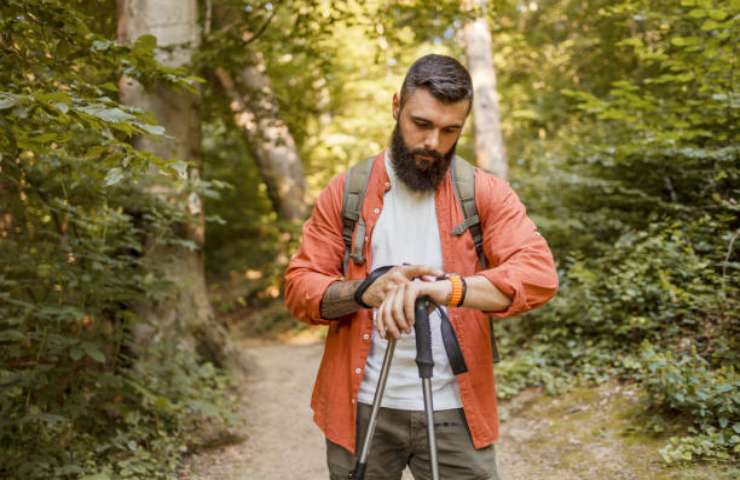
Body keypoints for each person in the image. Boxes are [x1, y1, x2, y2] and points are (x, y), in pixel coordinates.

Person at [284, 54, 558, 480]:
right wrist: (364, 291)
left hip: (456, 409)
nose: (434, 142)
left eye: (450, 130)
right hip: (361, 404)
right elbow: (299, 287)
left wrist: (445, 290)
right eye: (422, 124)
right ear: (397, 107)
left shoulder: (483, 193)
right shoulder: (347, 192)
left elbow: (538, 276)